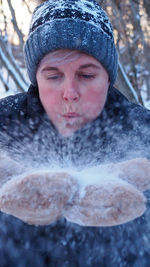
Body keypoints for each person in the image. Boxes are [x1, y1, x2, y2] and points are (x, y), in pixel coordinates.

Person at [0, 0, 150, 266]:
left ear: (108, 77)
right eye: (53, 76)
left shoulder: (142, 131)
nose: (70, 94)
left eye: (87, 75)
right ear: (36, 77)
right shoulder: (4, 123)